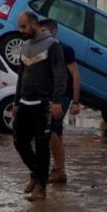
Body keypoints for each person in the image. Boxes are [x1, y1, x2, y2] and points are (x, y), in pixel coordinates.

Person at [12, 11, 67, 201]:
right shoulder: (25, 46)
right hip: (25, 103)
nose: (21, 31)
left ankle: (41, 188)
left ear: (34, 24)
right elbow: (21, 76)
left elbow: (61, 75)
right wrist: (16, 102)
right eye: (19, 27)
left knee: (42, 145)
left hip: (44, 104)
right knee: (19, 141)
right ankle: (37, 174)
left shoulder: (52, 45)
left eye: (23, 26)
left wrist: (57, 101)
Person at [40, 19, 81, 184]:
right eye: (40, 31)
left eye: (45, 31)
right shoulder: (43, 49)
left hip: (62, 96)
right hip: (50, 96)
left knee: (51, 131)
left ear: (54, 31)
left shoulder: (65, 49)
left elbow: (76, 75)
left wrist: (76, 101)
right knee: (57, 133)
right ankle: (60, 170)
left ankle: (58, 170)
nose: (42, 34)